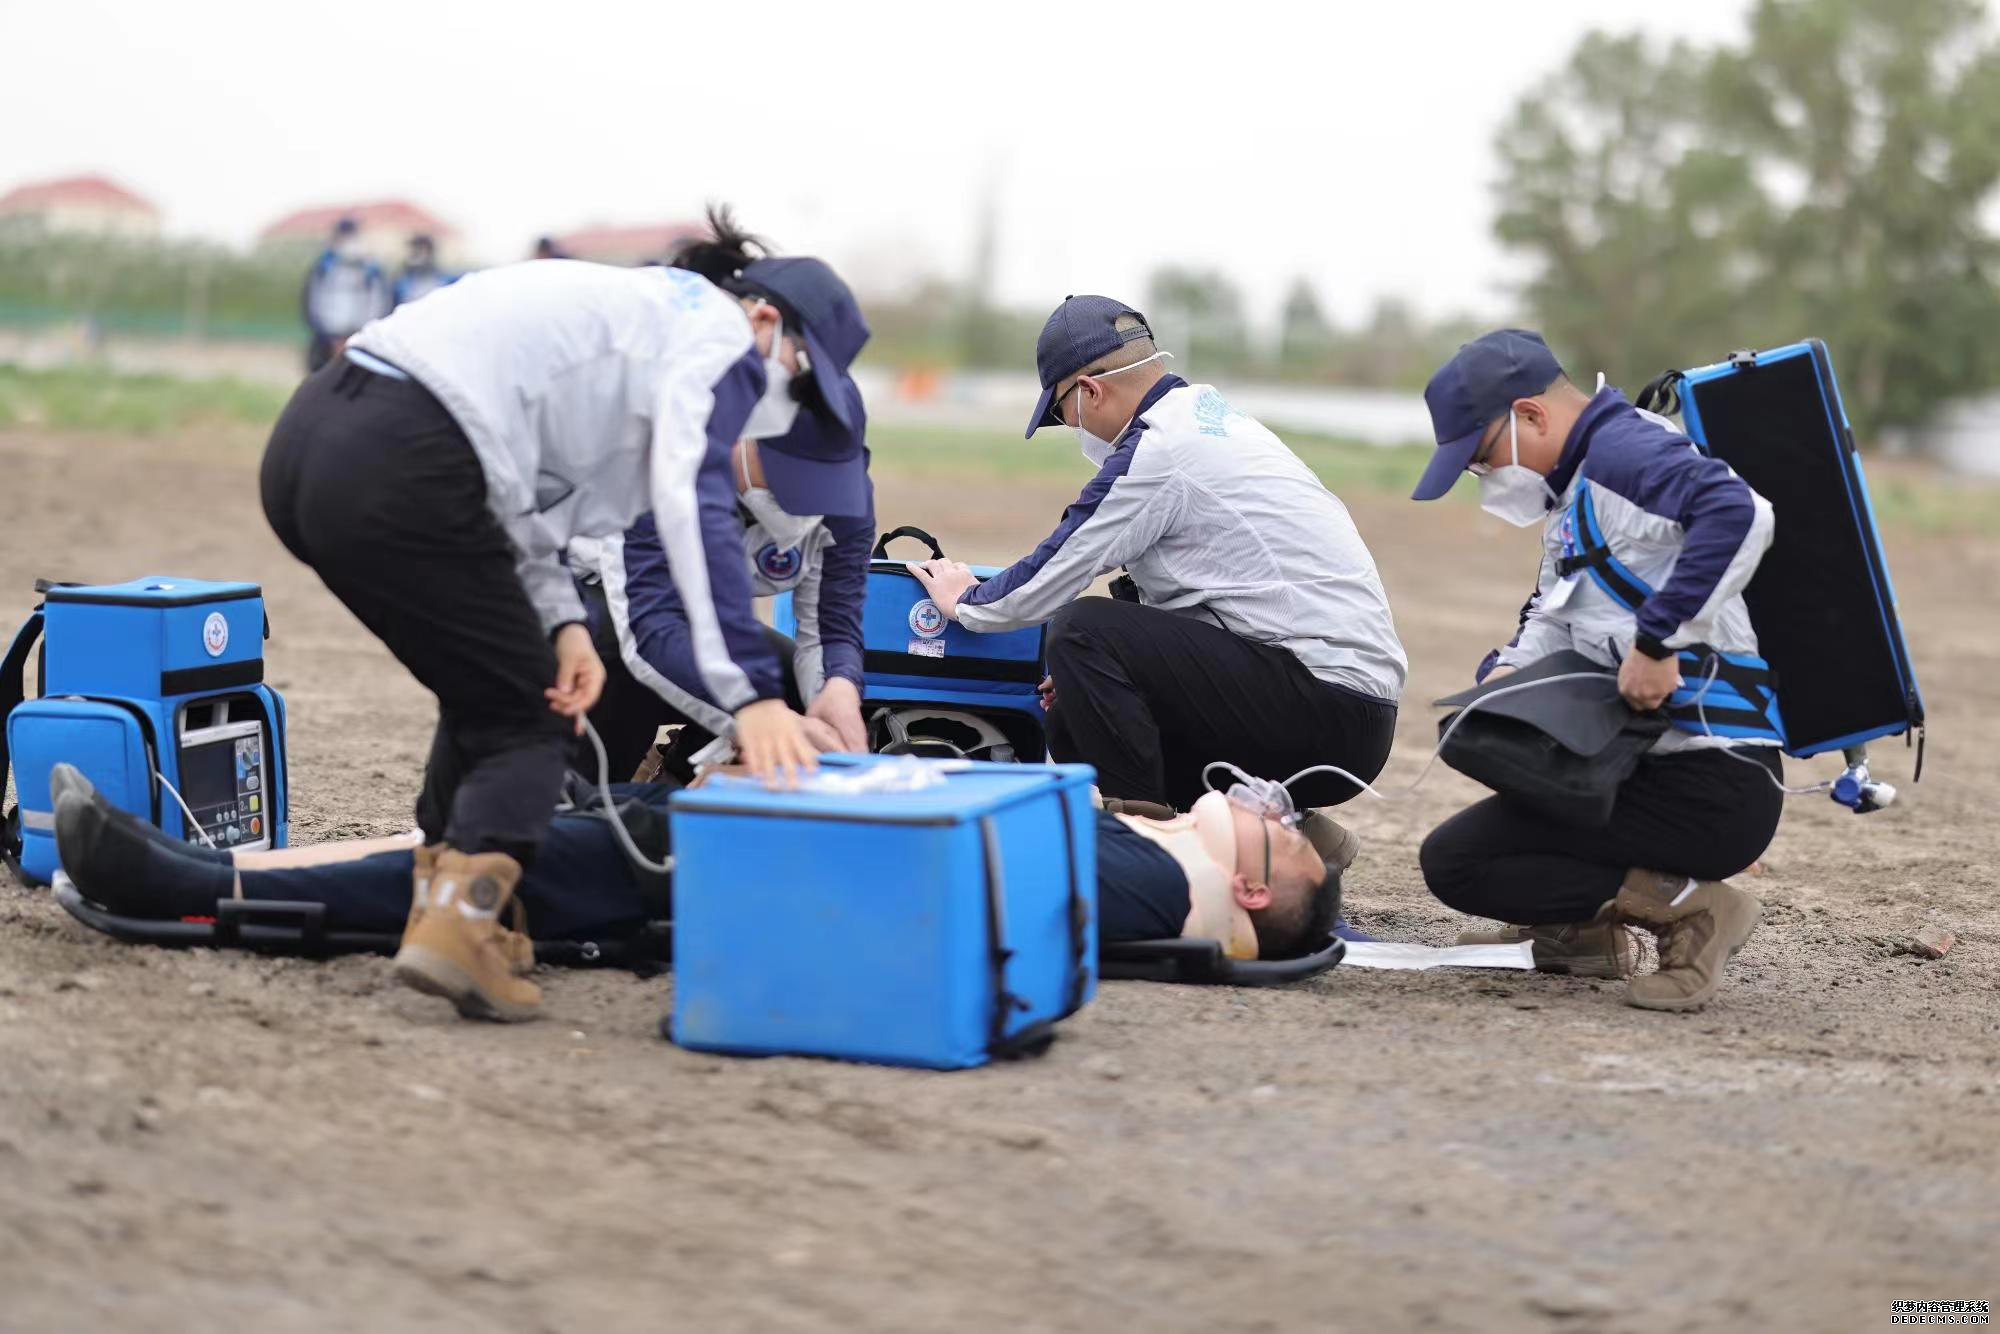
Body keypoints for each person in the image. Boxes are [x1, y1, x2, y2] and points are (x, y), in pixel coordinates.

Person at [259, 213, 853, 1022]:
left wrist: (565, 624)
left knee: (493, 693)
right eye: (801, 383)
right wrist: (750, 695)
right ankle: (463, 925)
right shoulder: (713, 338)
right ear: (764, 321)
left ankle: (449, 904)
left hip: (312, 443)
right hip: (403, 456)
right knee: (533, 723)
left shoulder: (642, 319)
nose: (785, 407)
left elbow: (528, 493)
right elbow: (693, 503)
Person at [46, 761, 1343, 1019]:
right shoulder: (1137, 851)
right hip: (755, 842)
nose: (1267, 803)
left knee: (501, 860)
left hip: (743, 869)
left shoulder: (1146, 880)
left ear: (1254, 888)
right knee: (492, 833)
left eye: (1283, 828)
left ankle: (184, 883)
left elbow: (937, 870)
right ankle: (199, 868)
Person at [909, 296, 1406, 821]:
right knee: (1073, 715)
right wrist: (1103, 679)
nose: (1074, 426)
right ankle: (1276, 838)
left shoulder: (1160, 449)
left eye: (1062, 411)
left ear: (1091, 390)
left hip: (1325, 707)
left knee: (1082, 629)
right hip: (1347, 707)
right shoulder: (1211, 418)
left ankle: (1150, 845)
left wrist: (966, 600)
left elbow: (1057, 568)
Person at [1410, 329, 1782, 1012]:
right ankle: (1582, 936)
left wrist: (1657, 642)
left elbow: (1738, 512)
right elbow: (1551, 614)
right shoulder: (1575, 493)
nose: (1483, 477)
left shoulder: (1623, 454)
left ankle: (1701, 912)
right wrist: (1509, 673)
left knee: (1471, 861)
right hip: (1634, 765)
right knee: (1457, 861)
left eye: (1482, 458)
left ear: (1530, 415)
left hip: (1711, 779)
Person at [570, 219, 876, 779]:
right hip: (597, 609)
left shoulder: (846, 483)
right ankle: (589, 795)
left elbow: (832, 624)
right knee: (616, 650)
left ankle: (686, 791)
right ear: (738, 430)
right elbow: (649, 626)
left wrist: (837, 690)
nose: (799, 505)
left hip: (682, 624)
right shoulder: (668, 452)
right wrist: (760, 719)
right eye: (788, 475)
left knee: (780, 675)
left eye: (820, 477)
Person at [300, 217, 389, 373]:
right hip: (328, 335)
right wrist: (324, 332)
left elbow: (378, 302)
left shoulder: (370, 267)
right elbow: (312, 300)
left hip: (357, 332)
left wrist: (366, 330)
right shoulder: (323, 265)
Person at [390, 233, 456, 307]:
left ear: (429, 252)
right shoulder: (401, 283)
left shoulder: (445, 281)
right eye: (413, 250)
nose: (415, 254)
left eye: (420, 250)